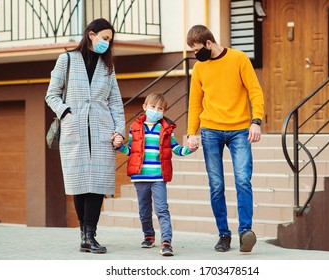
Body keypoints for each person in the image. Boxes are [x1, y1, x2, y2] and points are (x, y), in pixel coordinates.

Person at [45, 18, 125, 254]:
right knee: (80, 183)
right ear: (91, 35)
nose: (108, 43)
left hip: (102, 129)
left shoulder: (107, 66)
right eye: (105, 38)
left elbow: (115, 102)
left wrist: (120, 130)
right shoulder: (67, 60)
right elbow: (52, 95)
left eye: (110, 40)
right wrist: (67, 112)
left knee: (97, 184)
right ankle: (84, 234)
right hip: (75, 130)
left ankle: (90, 234)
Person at [186, 25, 264, 253]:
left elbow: (255, 91)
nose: (196, 55)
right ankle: (223, 234)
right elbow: (194, 103)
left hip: (240, 129)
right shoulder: (200, 69)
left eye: (198, 50)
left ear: (209, 43)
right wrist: (192, 132)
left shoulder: (239, 59)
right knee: (216, 185)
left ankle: (245, 232)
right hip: (210, 131)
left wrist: (256, 121)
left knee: (242, 180)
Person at [113, 92, 198, 256]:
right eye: (152, 107)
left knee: (162, 210)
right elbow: (130, 150)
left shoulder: (166, 129)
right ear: (144, 107)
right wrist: (118, 146)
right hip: (140, 177)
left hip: (159, 177)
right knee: (144, 210)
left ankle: (166, 242)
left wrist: (189, 149)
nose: (156, 110)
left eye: (160, 108)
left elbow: (177, 149)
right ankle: (148, 235)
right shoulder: (134, 128)